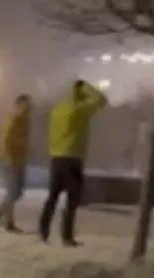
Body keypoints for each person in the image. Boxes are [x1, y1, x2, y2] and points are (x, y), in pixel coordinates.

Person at [40, 80, 108, 245]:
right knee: (73, 198)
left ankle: (43, 231)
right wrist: (86, 87)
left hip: (56, 157)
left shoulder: (57, 110)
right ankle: (67, 236)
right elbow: (101, 100)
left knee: (53, 196)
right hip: (72, 158)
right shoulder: (79, 109)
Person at [0, 94, 33, 232]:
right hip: (10, 161)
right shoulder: (13, 120)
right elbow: (4, 141)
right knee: (13, 191)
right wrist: (8, 158)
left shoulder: (25, 122)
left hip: (20, 161)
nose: (28, 109)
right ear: (18, 105)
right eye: (26, 105)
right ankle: (8, 222)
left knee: (17, 193)